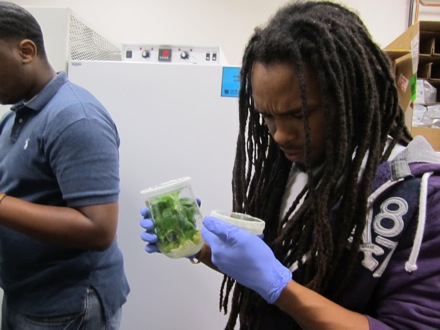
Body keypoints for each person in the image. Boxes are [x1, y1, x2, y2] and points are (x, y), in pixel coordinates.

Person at [140, 1, 440, 329]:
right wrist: (201, 246)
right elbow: (275, 268)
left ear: (347, 96)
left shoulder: (423, 197)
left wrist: (280, 287)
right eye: (267, 116)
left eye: (298, 115)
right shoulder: (291, 167)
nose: (280, 135)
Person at [0, 2, 129, 329]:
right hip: (26, 294)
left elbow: (98, 228)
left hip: (68, 306)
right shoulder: (18, 115)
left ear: (26, 51)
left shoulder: (75, 117)